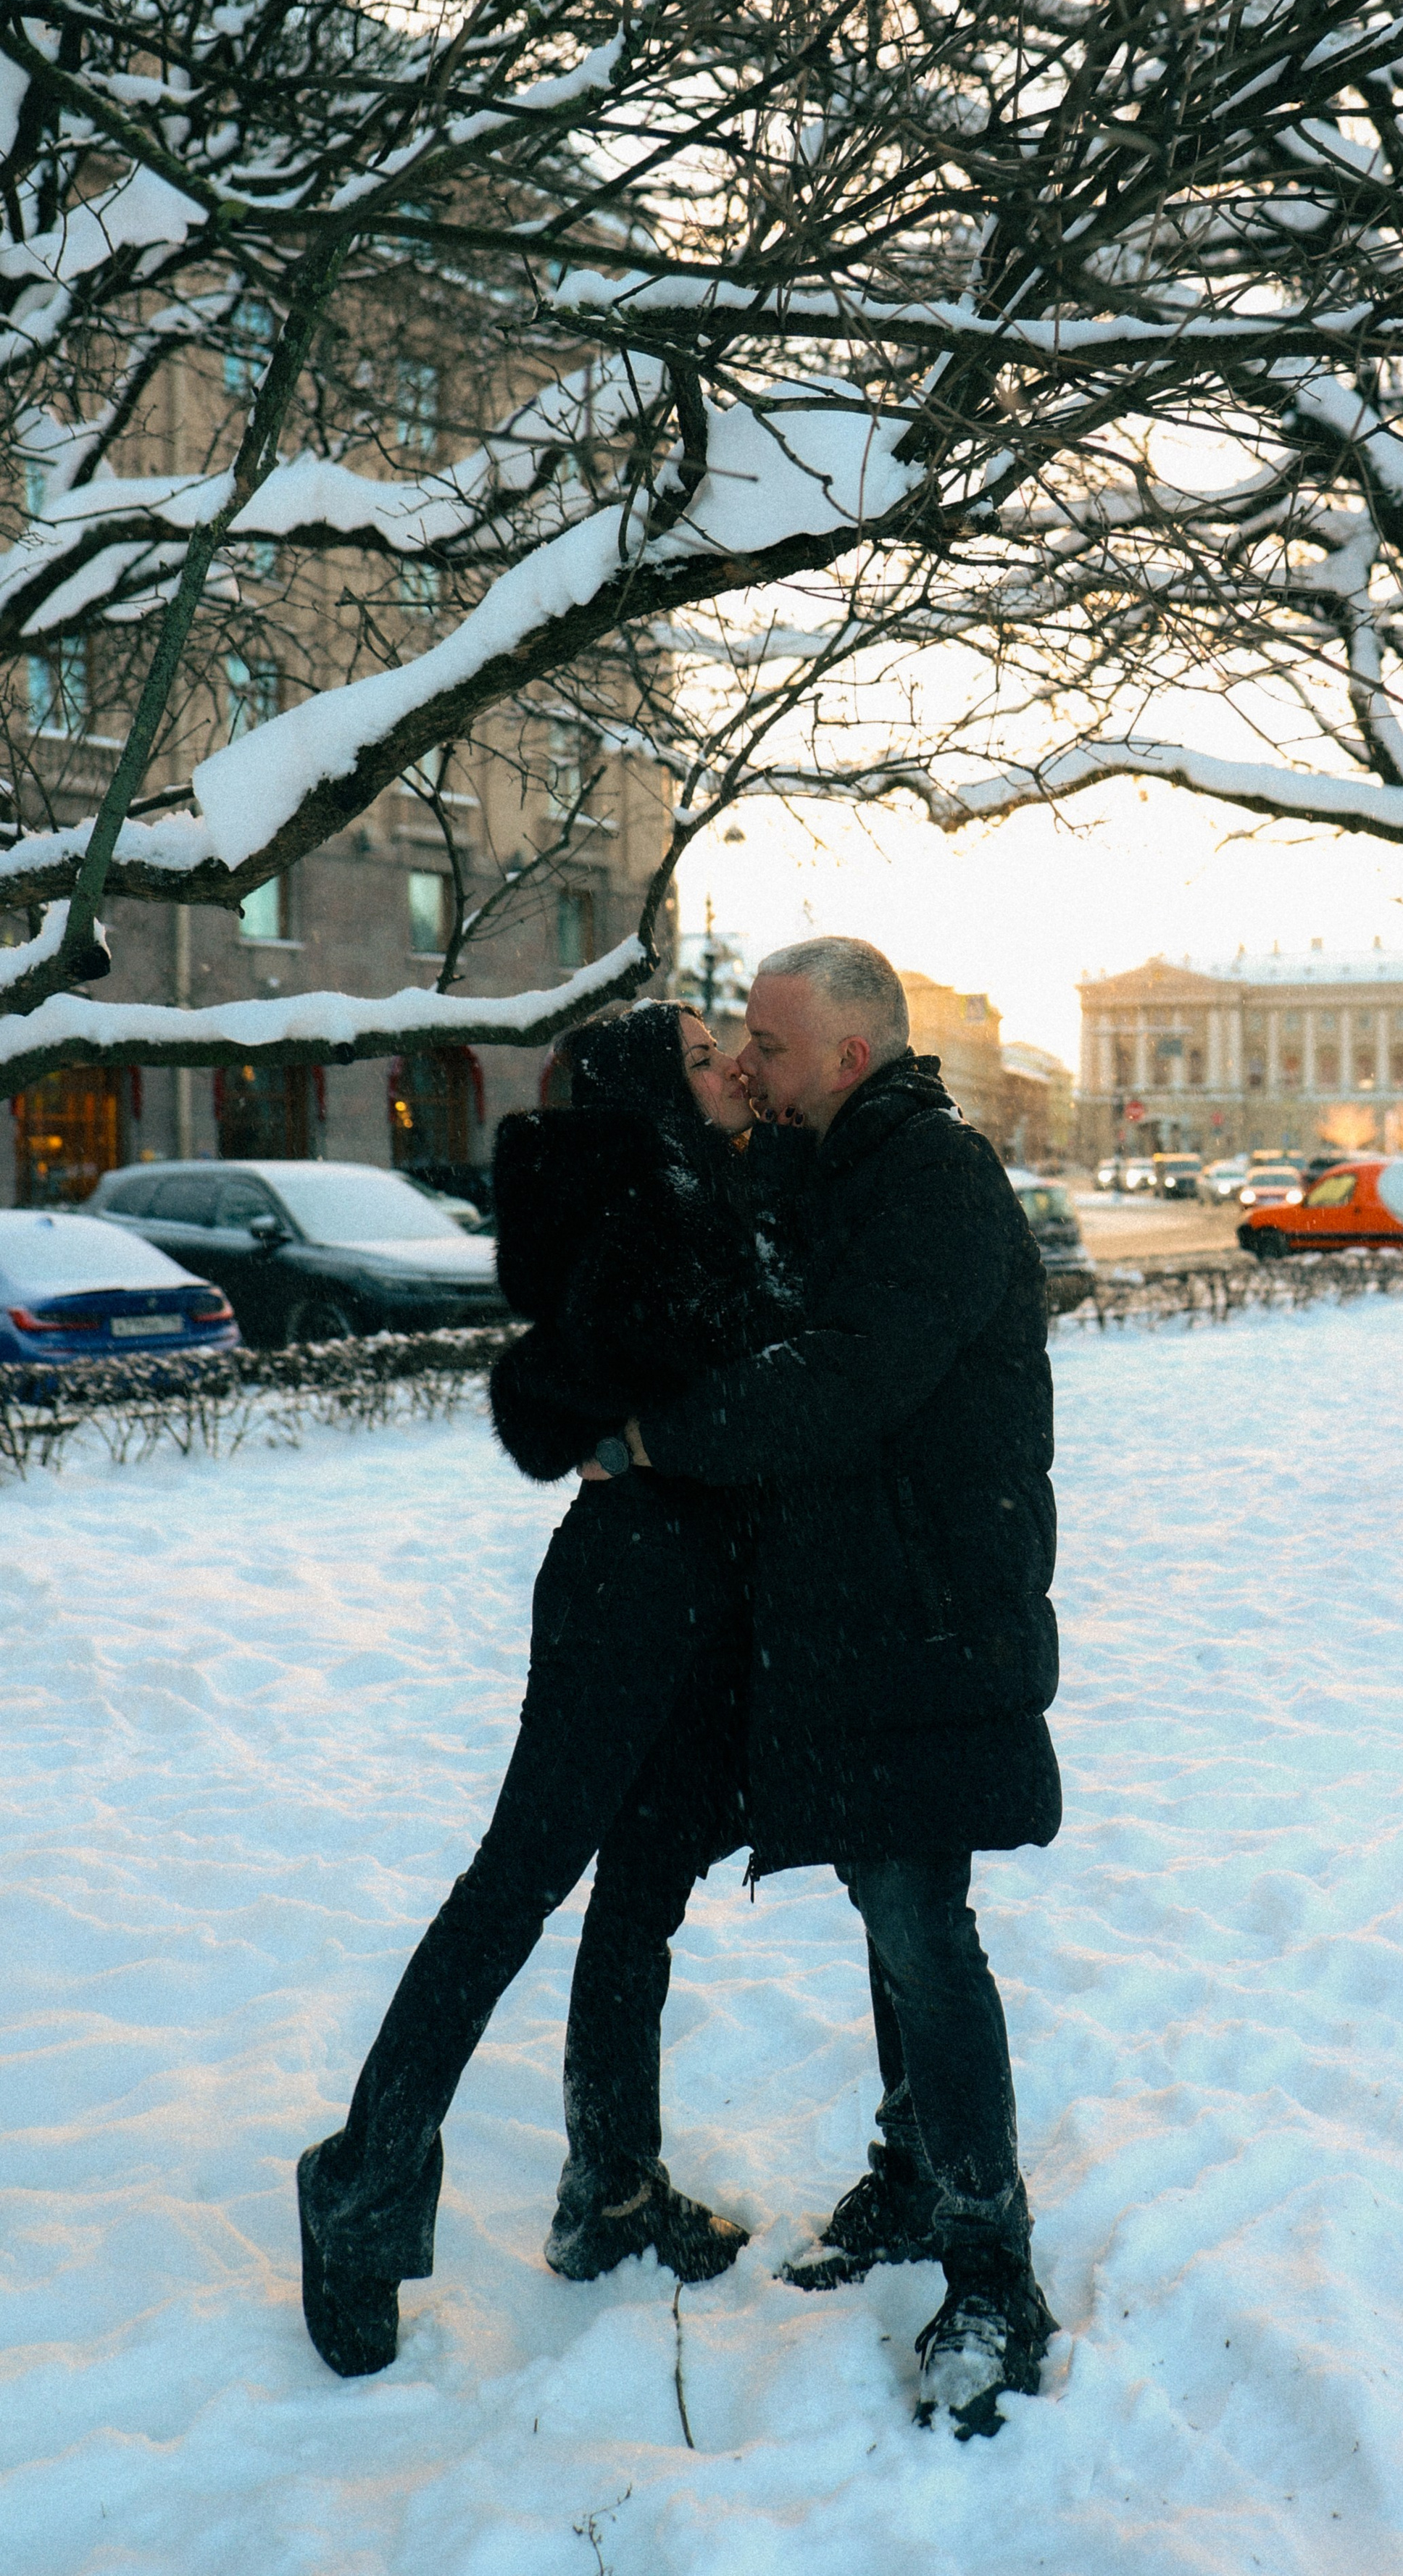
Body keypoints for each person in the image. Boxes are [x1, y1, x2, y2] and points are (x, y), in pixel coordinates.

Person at [609, 938, 1063, 2440]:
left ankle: (993, 2267)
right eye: (736, 1043)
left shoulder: (928, 1175)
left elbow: (843, 1380)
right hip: (862, 1619)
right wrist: (722, 1116)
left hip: (929, 1618)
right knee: (888, 1906)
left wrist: (661, 1436)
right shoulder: (829, 1165)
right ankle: (915, 2169)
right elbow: (715, 1260)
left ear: (849, 1059)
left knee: (924, 1929)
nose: (750, 1064)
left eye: (772, 1045)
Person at [296, 1001, 790, 2378]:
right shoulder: (653, 1214)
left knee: (640, 1893)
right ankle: (361, 2185)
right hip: (631, 1593)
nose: (736, 1066)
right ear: (657, 1100)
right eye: (705, 1058)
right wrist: (623, 1426)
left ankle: (611, 2187)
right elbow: (585, 1377)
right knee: (517, 1883)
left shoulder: (714, 1189)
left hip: (701, 1598)